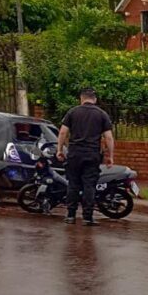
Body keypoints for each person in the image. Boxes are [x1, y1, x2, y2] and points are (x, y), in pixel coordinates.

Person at [56, 88, 114, 226]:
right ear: (95, 99)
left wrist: (59, 150)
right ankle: (87, 217)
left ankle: (70, 215)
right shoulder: (102, 114)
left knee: (73, 184)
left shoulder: (72, 112)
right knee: (89, 185)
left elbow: (63, 132)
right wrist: (110, 156)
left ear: (81, 99)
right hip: (92, 154)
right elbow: (109, 138)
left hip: (75, 153)